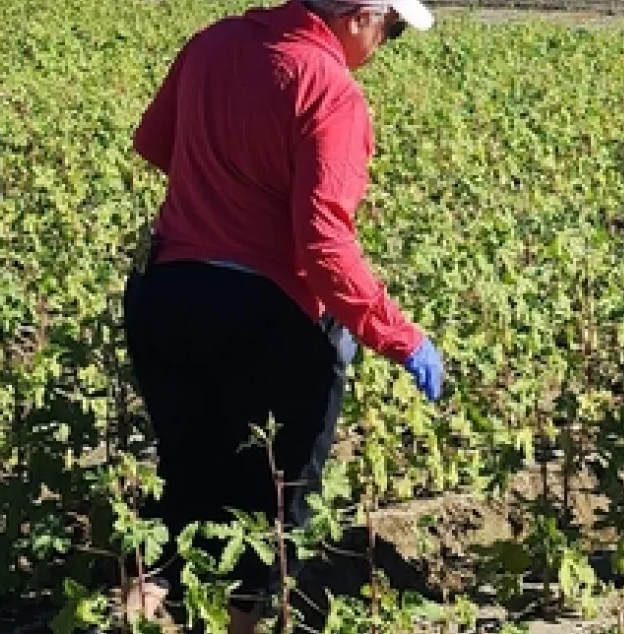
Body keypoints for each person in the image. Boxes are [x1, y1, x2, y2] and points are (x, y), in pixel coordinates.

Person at [118, 0, 444, 631]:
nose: (385, 46)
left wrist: (228, 189)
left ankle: (140, 615)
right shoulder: (331, 90)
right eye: (392, 30)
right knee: (271, 509)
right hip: (263, 320)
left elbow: (154, 144)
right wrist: (401, 338)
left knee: (186, 493)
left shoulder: (213, 43)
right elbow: (323, 246)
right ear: (360, 15)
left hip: (168, 298)